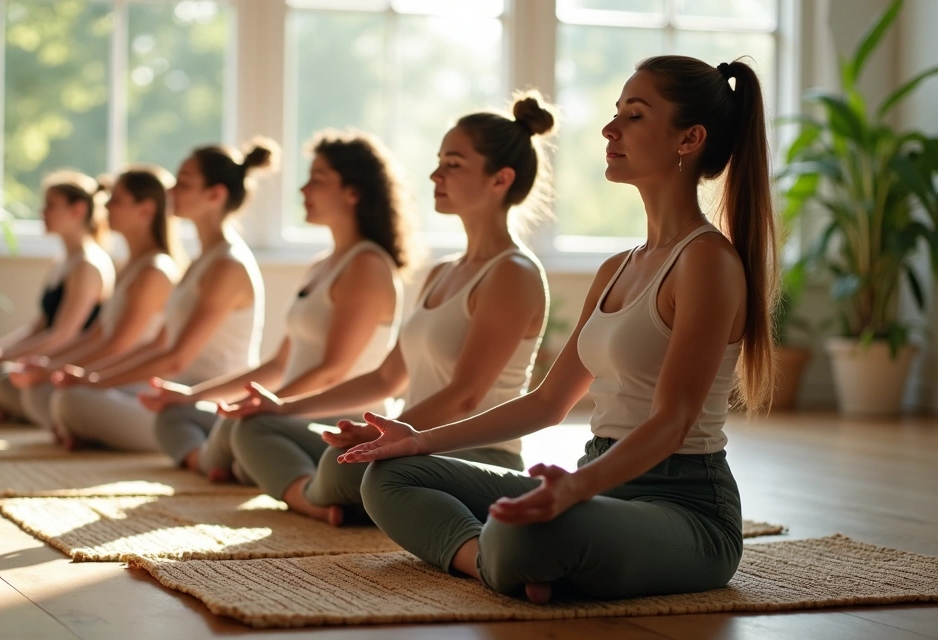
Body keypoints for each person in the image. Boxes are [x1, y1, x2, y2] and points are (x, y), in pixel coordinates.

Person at [348, 57, 776, 604]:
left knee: (519, 531)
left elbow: (672, 422)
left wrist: (572, 491)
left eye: (635, 115)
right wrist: (419, 440)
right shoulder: (617, 268)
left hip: (683, 507)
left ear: (689, 138)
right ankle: (495, 564)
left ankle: (505, 554)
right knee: (388, 477)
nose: (610, 128)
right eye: (616, 111)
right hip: (597, 480)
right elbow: (549, 402)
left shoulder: (707, 263)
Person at [228, 93, 556, 526]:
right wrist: (284, 407)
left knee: (338, 463)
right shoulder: (442, 271)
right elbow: (387, 377)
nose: (436, 174)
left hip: (472, 454)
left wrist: (384, 436)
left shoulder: (512, 273)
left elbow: (465, 396)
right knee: (256, 427)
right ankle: (322, 499)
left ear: (500, 179)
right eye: (439, 160)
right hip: (413, 443)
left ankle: (319, 494)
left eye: (453, 164)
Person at [141, 130, 410, 482]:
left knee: (241, 427)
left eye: (317, 179)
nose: (303, 190)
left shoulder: (367, 267)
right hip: (291, 411)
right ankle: (229, 464)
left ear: (353, 192)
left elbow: (333, 369)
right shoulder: (322, 265)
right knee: (177, 414)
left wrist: (269, 406)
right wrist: (193, 395)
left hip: (338, 421)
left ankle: (238, 466)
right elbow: (278, 364)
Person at [48, 140, 276, 451]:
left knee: (72, 400)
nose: (171, 192)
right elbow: (160, 345)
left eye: (183, 184)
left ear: (215, 194)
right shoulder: (202, 260)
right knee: (69, 394)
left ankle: (199, 447)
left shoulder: (228, 265)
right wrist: (91, 376)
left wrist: (96, 382)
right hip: (175, 392)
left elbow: (176, 358)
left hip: (207, 404)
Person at [7, 166, 182, 440]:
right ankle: (78, 430)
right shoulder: (128, 266)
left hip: (133, 386)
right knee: (38, 391)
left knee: (66, 398)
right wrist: (48, 366)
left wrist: (67, 374)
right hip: (110, 381)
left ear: (145, 210)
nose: (106, 206)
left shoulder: (155, 271)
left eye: (116, 201)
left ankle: (79, 429)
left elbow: (118, 346)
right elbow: (96, 335)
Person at [0, 170, 115, 419]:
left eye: (51, 205)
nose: (42, 212)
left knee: (0, 380)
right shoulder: (61, 262)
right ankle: (21, 409)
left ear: (78, 210)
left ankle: (31, 410)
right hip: (45, 359)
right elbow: (38, 326)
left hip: (68, 365)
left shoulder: (88, 265)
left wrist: (0, 358)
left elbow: (64, 335)